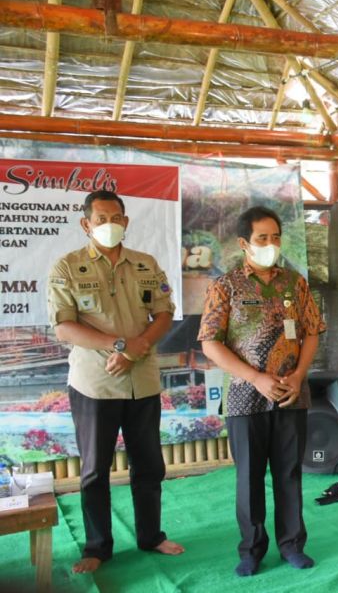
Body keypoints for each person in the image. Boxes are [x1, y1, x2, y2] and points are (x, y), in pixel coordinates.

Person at [47, 190, 184, 573]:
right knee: (94, 470)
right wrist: (119, 346)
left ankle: (151, 536)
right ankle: (97, 547)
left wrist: (135, 351)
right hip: (95, 384)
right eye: (101, 218)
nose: (110, 225)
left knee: (149, 465)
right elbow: (64, 327)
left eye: (116, 218)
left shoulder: (145, 264)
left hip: (142, 381)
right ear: (86, 224)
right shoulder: (67, 267)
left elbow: (163, 312)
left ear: (125, 221)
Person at [198, 206, 325, 577]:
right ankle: (251, 549)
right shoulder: (225, 286)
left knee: (289, 473)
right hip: (244, 397)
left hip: (290, 394)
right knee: (249, 478)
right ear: (244, 243)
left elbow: (312, 332)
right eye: (262, 238)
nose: (270, 244)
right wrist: (256, 378)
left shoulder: (294, 283)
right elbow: (210, 344)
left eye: (275, 237)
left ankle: (292, 546)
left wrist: (300, 375)